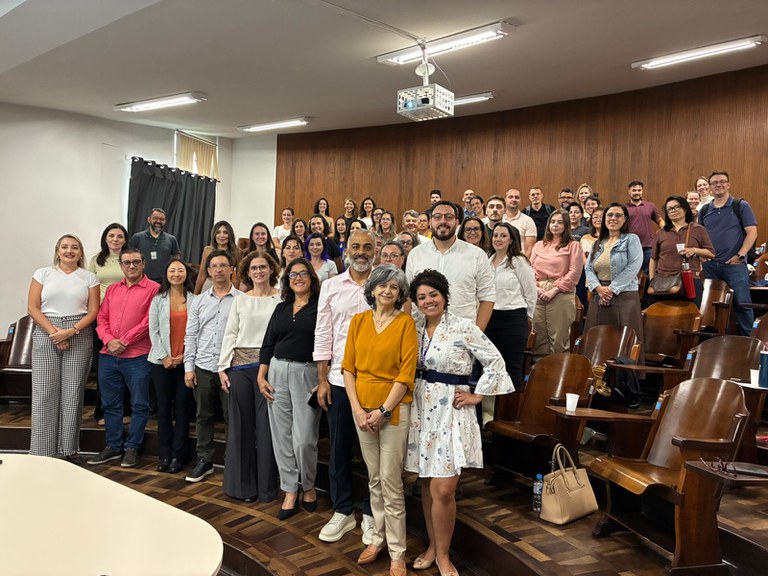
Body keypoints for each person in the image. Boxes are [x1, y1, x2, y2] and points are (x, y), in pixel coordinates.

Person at [405, 270, 513, 576]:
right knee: (426, 485)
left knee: (444, 489)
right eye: (422, 297)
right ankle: (430, 545)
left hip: (451, 411)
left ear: (444, 296)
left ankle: (444, 554)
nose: (428, 301)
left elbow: (495, 361)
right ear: (415, 302)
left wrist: (478, 395)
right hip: (421, 410)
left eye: (433, 295)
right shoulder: (413, 327)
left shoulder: (464, 327)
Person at [342, 265, 416, 576]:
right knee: (373, 478)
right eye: (382, 286)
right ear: (372, 289)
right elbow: (348, 369)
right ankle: (377, 538)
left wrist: (382, 411)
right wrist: (358, 411)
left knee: (390, 481)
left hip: (393, 411)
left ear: (400, 295)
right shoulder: (358, 322)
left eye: (394, 288)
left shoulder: (406, 324)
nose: (387, 291)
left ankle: (398, 552)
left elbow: (406, 374)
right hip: (362, 410)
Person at [314, 229, 376, 545]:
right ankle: (342, 511)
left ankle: (369, 512)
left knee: (372, 455)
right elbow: (324, 334)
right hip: (338, 381)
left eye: (367, 246)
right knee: (339, 449)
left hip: (376, 384)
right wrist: (322, 379)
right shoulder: (331, 286)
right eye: (356, 246)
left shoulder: (387, 284)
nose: (361, 251)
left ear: (376, 249)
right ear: (346, 250)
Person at [258, 258, 322, 519]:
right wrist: (262, 376)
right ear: (287, 280)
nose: (297, 278)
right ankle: (289, 490)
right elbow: (268, 343)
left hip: (307, 374)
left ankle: (308, 485)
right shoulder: (281, 308)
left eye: (303, 273)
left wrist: (324, 377)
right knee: (281, 436)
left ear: (311, 278)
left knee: (304, 438)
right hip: (276, 371)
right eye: (293, 274)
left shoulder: (320, 308)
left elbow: (326, 344)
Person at [28, 234, 100, 461]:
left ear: (80, 252)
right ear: (58, 251)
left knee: (73, 392)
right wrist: (55, 333)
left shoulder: (89, 277)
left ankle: (68, 450)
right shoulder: (43, 273)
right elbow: (33, 307)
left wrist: (70, 331)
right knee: (44, 393)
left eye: (75, 247)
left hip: (78, 332)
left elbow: (93, 311)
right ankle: (42, 450)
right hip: (46, 331)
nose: (70, 251)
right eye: (65, 247)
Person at [87, 248, 159, 468]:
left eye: (136, 262)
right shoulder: (112, 290)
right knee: (110, 405)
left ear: (143, 263)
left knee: (139, 405)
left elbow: (148, 322)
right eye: (126, 262)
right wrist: (109, 340)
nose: (131, 266)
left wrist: (124, 341)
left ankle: (132, 448)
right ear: (120, 265)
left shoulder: (154, 289)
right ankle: (113, 446)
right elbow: (101, 318)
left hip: (137, 356)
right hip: (108, 355)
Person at [218, 252, 281, 502]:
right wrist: (222, 368)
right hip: (240, 368)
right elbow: (230, 333)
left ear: (271, 269)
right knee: (240, 428)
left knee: (267, 430)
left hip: (270, 369)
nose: (258, 271)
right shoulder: (240, 300)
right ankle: (242, 488)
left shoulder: (280, 299)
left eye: (263, 267)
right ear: (247, 271)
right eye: (254, 268)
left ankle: (267, 490)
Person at [183, 250, 242, 482]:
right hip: (203, 366)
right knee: (203, 415)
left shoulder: (241, 300)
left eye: (223, 265)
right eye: (214, 266)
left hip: (231, 368)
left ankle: (232, 462)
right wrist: (189, 367)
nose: (218, 269)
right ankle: (204, 460)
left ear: (231, 270)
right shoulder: (198, 301)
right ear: (208, 271)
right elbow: (191, 334)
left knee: (232, 418)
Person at [406, 200, 495, 328]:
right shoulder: (416, 254)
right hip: (421, 333)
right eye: (437, 217)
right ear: (430, 222)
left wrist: (476, 333)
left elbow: (487, 297)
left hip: (462, 334)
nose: (443, 221)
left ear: (457, 222)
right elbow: (408, 296)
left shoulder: (476, 255)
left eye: (449, 217)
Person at [148, 258, 195, 473]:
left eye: (180, 270)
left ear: (187, 274)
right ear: (166, 274)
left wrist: (185, 356)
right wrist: (164, 356)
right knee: (164, 410)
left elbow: (197, 332)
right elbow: (153, 331)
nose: (176, 274)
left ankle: (179, 456)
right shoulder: (158, 299)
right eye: (172, 270)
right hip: (161, 363)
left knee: (184, 409)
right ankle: (164, 455)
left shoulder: (195, 300)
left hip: (186, 363)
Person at [699, 170, 758, 335]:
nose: (719, 184)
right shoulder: (704, 210)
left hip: (735, 265)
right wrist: (703, 256)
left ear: (728, 184)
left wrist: (740, 255)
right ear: (710, 187)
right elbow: (701, 236)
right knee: (713, 306)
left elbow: (752, 232)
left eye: (722, 181)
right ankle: (718, 341)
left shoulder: (740, 206)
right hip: (711, 266)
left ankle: (750, 342)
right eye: (715, 182)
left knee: (742, 304)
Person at [583, 203, 644, 346]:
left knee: (624, 342)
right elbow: (588, 269)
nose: (613, 218)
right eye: (610, 215)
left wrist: (611, 289)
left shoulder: (631, 239)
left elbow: (633, 267)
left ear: (625, 219)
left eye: (618, 215)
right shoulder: (597, 243)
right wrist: (598, 288)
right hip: (599, 296)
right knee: (596, 340)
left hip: (624, 295)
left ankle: (622, 369)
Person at [88, 223, 129, 425]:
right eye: (111, 235)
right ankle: (102, 412)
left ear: (125, 239)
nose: (115, 239)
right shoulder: (96, 260)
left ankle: (125, 411)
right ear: (105, 238)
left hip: (126, 317)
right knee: (103, 368)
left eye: (119, 236)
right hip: (101, 318)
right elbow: (89, 287)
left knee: (127, 364)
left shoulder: (129, 259)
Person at [487, 223, 537, 389]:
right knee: (490, 368)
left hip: (513, 319)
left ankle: (509, 412)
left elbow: (530, 292)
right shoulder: (487, 261)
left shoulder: (519, 261)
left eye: (503, 236)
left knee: (511, 369)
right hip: (489, 318)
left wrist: (527, 318)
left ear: (511, 240)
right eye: (495, 235)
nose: (498, 239)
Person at [530, 210, 584, 357]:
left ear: (566, 225)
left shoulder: (573, 246)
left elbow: (574, 272)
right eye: (553, 222)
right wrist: (536, 289)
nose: (555, 225)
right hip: (538, 291)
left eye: (560, 222)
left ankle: (558, 373)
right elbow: (530, 269)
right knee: (538, 335)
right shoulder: (539, 245)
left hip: (560, 292)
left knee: (558, 337)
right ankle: (539, 371)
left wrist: (554, 290)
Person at [648, 196, 714, 308]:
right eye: (669, 209)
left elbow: (711, 253)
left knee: (689, 317)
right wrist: (652, 279)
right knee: (662, 319)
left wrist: (694, 250)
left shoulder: (698, 229)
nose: (673, 210)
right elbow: (653, 258)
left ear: (685, 208)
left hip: (690, 280)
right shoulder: (661, 232)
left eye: (676, 207)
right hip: (664, 282)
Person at [128, 208, 181, 285]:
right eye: (155, 218)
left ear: (165, 222)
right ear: (149, 219)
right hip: (141, 281)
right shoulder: (137, 237)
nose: (158, 221)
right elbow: (129, 258)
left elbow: (177, 259)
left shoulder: (171, 239)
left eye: (162, 219)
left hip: (165, 282)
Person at [624, 180, 664, 275]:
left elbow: (660, 221)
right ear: (629, 192)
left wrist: (664, 230)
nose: (637, 193)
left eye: (639, 190)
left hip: (648, 246)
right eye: (634, 190)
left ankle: (649, 290)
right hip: (629, 246)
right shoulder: (623, 208)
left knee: (649, 273)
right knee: (630, 274)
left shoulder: (650, 206)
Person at [195, 220, 241, 294]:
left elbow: (238, 277)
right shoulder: (208, 250)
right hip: (209, 284)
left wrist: (235, 293)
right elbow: (201, 275)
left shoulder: (237, 252)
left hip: (228, 286)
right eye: (218, 232)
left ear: (230, 235)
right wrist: (195, 295)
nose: (221, 236)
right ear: (214, 235)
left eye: (225, 232)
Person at [503, 188, 536, 257]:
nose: (514, 199)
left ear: (520, 201)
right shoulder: (499, 219)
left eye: (517, 197)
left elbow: (529, 249)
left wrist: (523, 265)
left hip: (520, 262)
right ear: (505, 200)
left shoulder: (528, 221)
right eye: (511, 197)